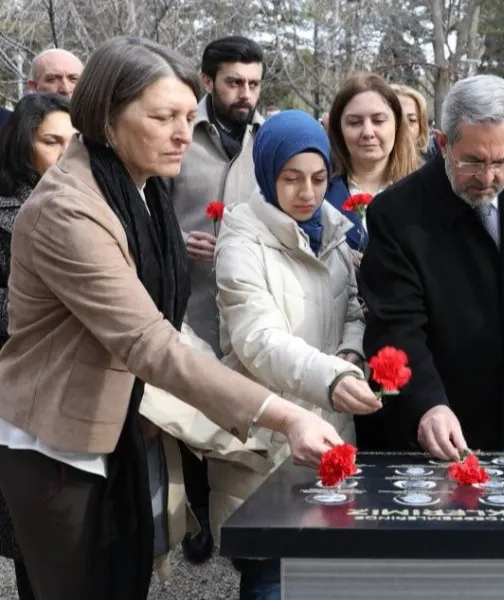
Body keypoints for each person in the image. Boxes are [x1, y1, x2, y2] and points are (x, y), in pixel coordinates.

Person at [0, 36, 342, 600]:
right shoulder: (70, 208)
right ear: (107, 117)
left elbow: (170, 321)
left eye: (188, 114)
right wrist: (284, 416)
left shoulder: (142, 189)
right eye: (163, 117)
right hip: (56, 443)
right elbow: (148, 340)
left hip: (121, 431)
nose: (185, 132)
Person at [212, 110, 379, 600]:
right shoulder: (241, 240)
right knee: (273, 580)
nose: (307, 192)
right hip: (269, 440)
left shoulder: (334, 230)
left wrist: (351, 350)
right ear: (267, 174)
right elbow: (258, 338)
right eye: (291, 178)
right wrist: (332, 376)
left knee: (328, 577)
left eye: (318, 178)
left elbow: (353, 304)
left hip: (333, 424)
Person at [357, 74, 504, 458]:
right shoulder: (397, 214)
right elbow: (397, 327)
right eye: (471, 161)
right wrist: (427, 403)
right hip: (442, 428)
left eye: (501, 162)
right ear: (441, 143)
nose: (488, 178)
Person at [169, 35, 265, 561]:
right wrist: (175, 240)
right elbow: (148, 205)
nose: (244, 93)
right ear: (208, 82)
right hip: (186, 305)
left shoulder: (266, 140)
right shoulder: (179, 133)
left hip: (244, 307)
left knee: (235, 413)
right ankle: (196, 517)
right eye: (234, 82)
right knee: (185, 418)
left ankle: (237, 513)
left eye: (253, 83)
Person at [0, 91, 73, 600]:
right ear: (24, 146)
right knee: (32, 535)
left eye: (74, 142)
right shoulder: (7, 214)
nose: (66, 154)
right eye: (52, 142)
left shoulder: (89, 206)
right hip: (17, 392)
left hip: (77, 387)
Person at [323, 73, 421, 255]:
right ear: (339, 129)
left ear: (397, 124)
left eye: (378, 121)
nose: (368, 132)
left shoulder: (423, 191)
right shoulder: (321, 192)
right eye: (354, 122)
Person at [391, 83, 435, 161]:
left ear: (421, 129)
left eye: (411, 120)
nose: (403, 127)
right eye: (396, 118)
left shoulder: (433, 168)